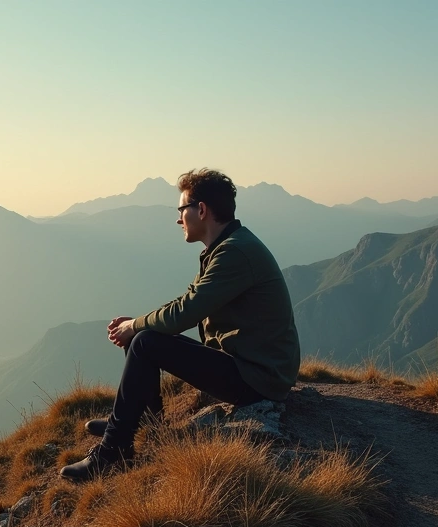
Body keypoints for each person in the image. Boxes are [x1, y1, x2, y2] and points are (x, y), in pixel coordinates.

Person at [60, 168, 300, 482]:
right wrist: (137, 325)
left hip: (259, 379)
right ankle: (141, 419)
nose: (178, 219)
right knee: (143, 336)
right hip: (252, 366)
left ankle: (112, 452)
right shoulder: (227, 247)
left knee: (145, 342)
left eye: (181, 210)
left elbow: (185, 313)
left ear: (201, 210)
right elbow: (188, 302)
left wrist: (136, 326)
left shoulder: (234, 253)